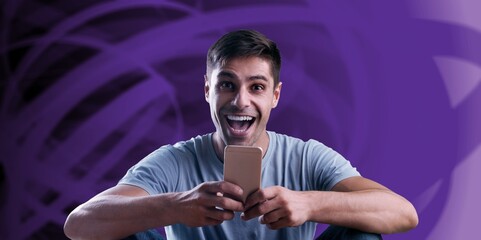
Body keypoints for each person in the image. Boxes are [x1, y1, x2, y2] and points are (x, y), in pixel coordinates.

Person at [64, 29, 418, 240]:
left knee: (362, 231)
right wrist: (176, 206)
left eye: (257, 86)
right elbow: (79, 225)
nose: (240, 100)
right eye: (227, 84)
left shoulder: (308, 157)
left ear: (275, 96)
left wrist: (309, 204)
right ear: (207, 91)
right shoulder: (174, 160)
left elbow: (403, 213)